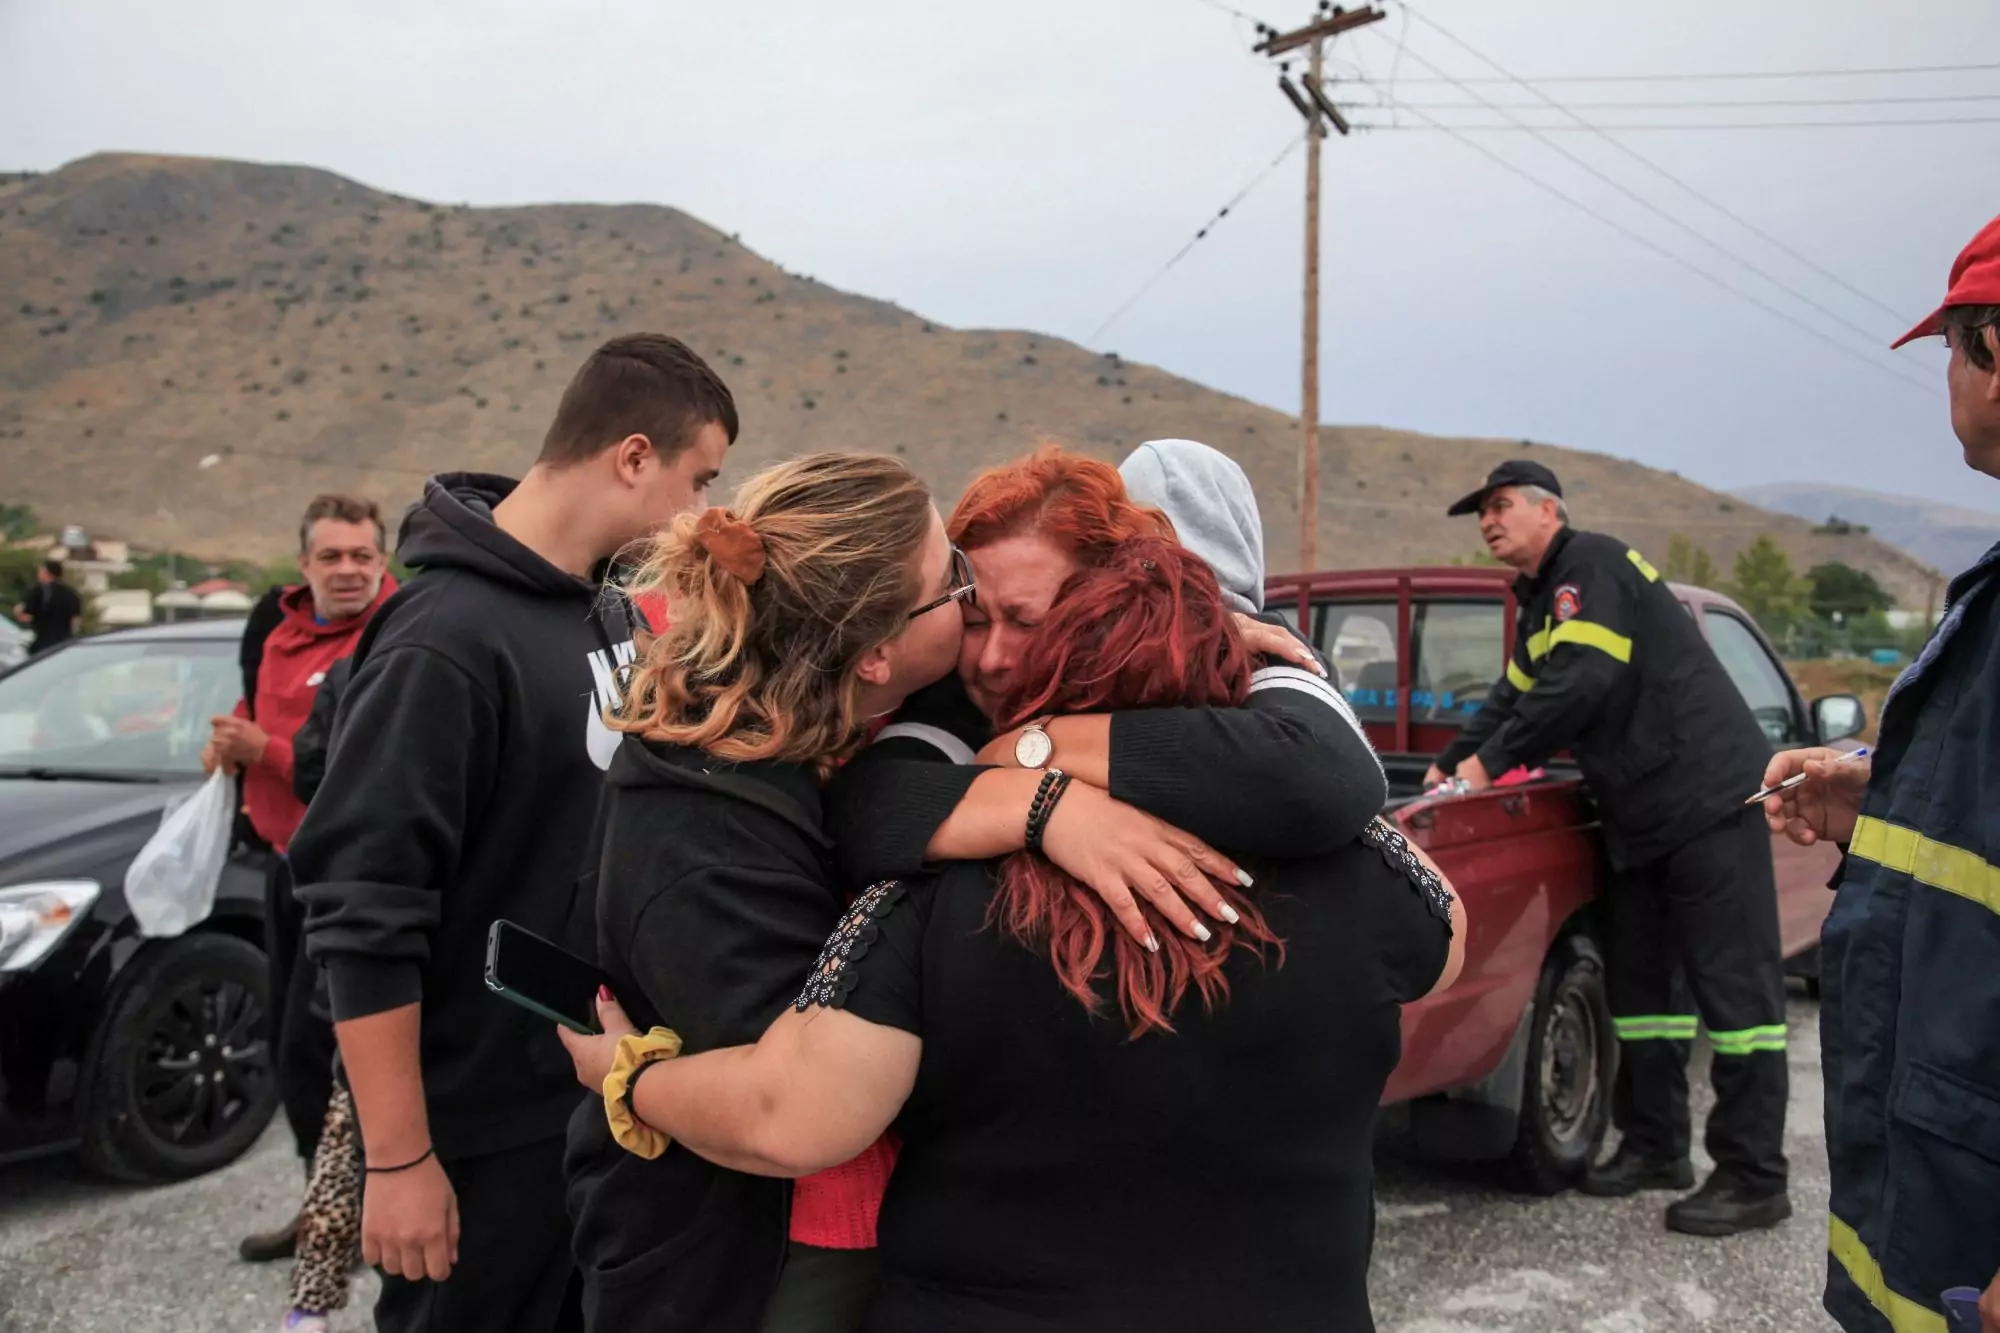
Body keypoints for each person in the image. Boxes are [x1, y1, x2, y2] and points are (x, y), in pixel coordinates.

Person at [562, 537, 1466, 1333]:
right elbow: (1446, 938)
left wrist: (626, 1075)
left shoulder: (931, 891)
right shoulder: (1356, 867)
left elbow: (792, 1116)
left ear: (1046, 689)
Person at [288, 332, 736, 1333]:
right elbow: (364, 915)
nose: (700, 513)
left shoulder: (609, 618)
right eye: (697, 480)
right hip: (478, 1134)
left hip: (589, 1106)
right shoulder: (443, 640)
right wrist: (399, 1158)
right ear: (631, 457)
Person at [563, 452, 977, 1333]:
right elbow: (776, 1107)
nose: (973, 599)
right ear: (873, 655)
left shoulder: (825, 727)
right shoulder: (703, 817)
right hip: (745, 1264)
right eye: (954, 580)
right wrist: (628, 1079)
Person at [1419, 459, 1790, 1236]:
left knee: (1737, 1003)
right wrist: (1450, 764)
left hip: (1708, 803)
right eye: (1480, 511)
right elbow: (1513, 695)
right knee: (1642, 995)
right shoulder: (1541, 606)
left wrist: (1487, 765)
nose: (1488, 520)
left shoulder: (1592, 564)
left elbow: (1582, 679)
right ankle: (1656, 1146)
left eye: (1501, 504)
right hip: (1638, 817)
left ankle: (1755, 1176)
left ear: (1549, 510)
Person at [830, 445, 1383, 952]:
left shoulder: (1261, 647)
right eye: (974, 621)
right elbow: (865, 805)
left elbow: (1319, 779)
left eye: (1028, 623)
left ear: (1103, 608)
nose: (993, 657)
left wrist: (1040, 744)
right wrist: (1049, 810)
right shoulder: (959, 685)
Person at [1764, 216, 2000, 1333]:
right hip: (1933, 1194)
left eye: (1953, 348)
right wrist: (1883, 788)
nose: (1948, 378)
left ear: (1992, 354)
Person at [210, 494, 397, 1266]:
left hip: (354, 878)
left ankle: (357, 1209)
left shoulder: (401, 632)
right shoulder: (272, 624)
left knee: (336, 1052)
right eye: (333, 556)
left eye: (362, 555)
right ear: (305, 564)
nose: (348, 570)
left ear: (384, 561)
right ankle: (321, 1203)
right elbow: (257, 705)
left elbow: (366, 767)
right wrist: (229, 741)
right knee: (293, 1055)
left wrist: (270, 751)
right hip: (283, 864)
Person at [13, 559, 83, 654]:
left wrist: (17, 611)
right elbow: (75, 622)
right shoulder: (71, 594)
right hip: (63, 645)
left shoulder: (38, 590)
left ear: (46, 572)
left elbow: (25, 617)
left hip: (42, 644)